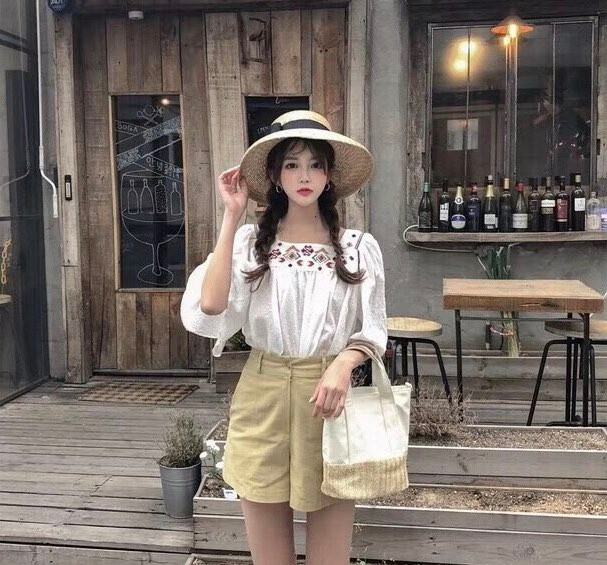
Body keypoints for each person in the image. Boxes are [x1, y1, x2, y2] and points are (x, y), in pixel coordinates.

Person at [180, 110, 387, 565]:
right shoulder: (250, 243)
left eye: (315, 165)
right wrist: (231, 214)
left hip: (328, 399)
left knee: (330, 557)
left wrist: (343, 362)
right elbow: (211, 305)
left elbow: (373, 328)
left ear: (330, 175)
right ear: (275, 175)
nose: (304, 176)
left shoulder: (357, 247)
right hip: (263, 393)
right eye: (292, 165)